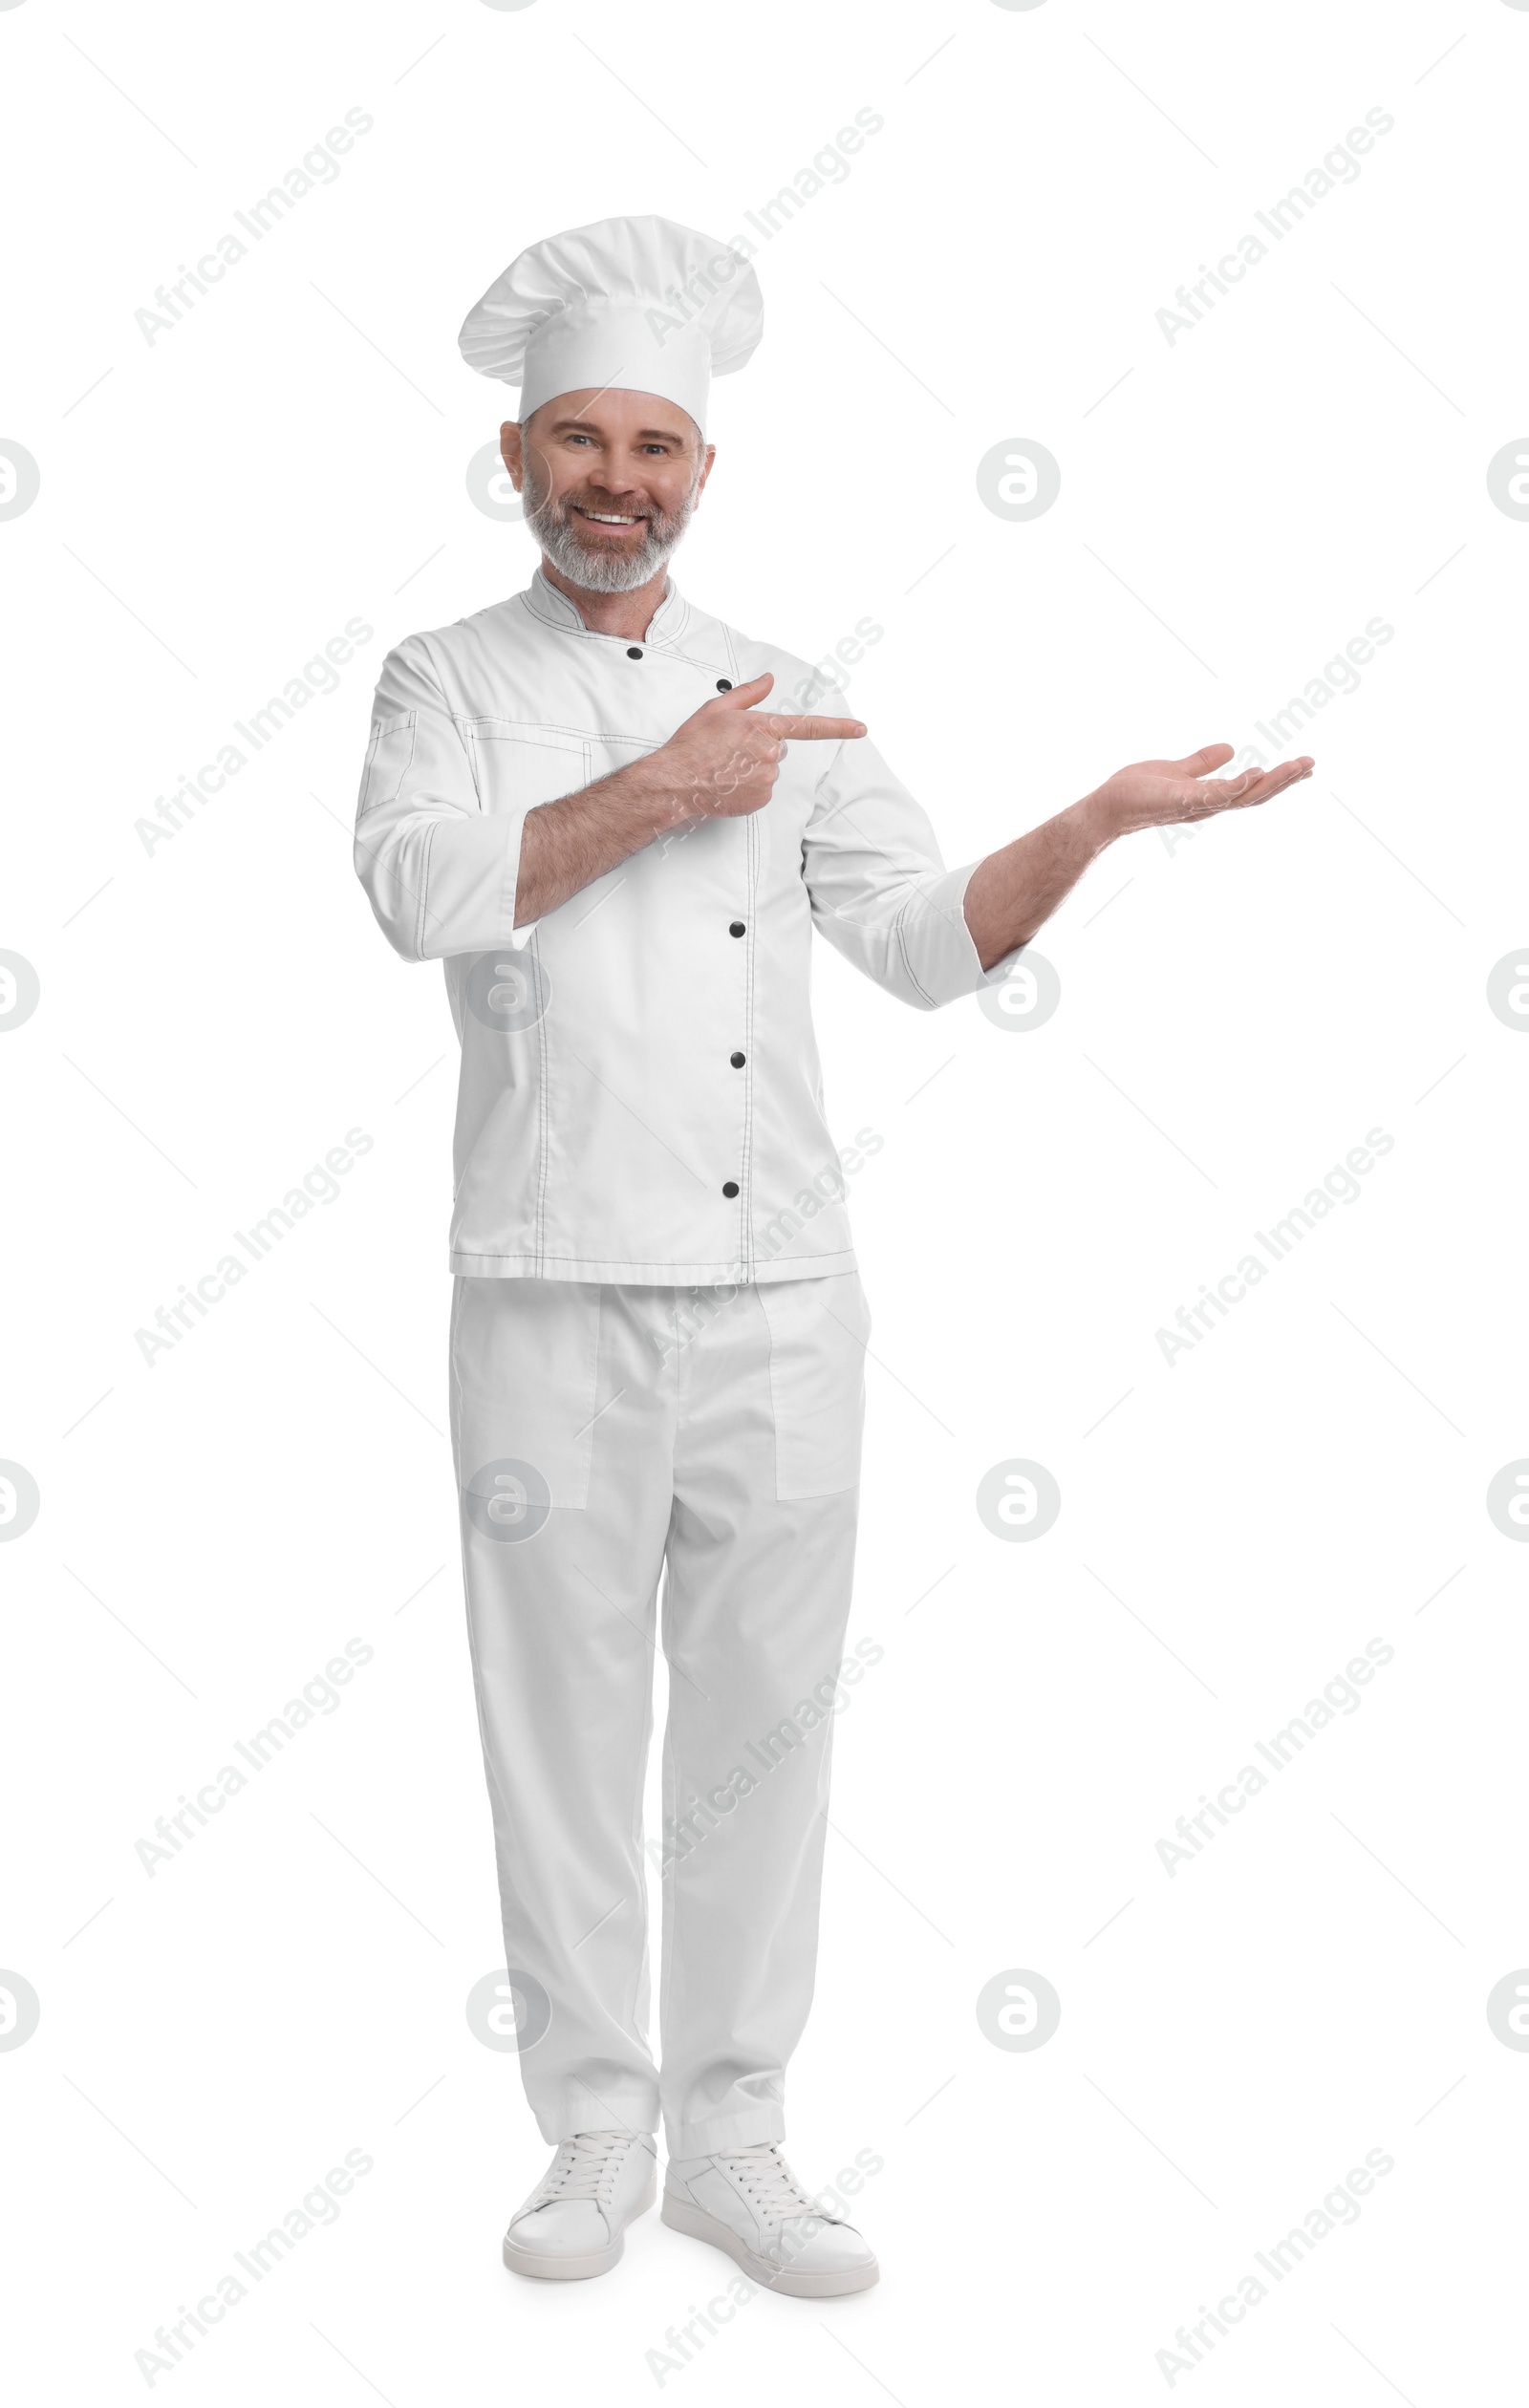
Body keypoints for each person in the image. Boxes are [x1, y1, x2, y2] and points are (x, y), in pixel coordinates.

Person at [353, 214, 1312, 2298]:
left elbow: (918, 945)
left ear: (703, 472)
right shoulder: (438, 680)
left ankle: (735, 2135)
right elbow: (422, 899)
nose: (618, 478)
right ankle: (591, 2132)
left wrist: (1095, 819)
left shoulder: (793, 695)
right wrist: (654, 783)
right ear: (516, 459)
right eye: (580, 441)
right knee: (557, 1719)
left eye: (657, 447)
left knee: (764, 1726)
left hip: (778, 1289)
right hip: (538, 1282)